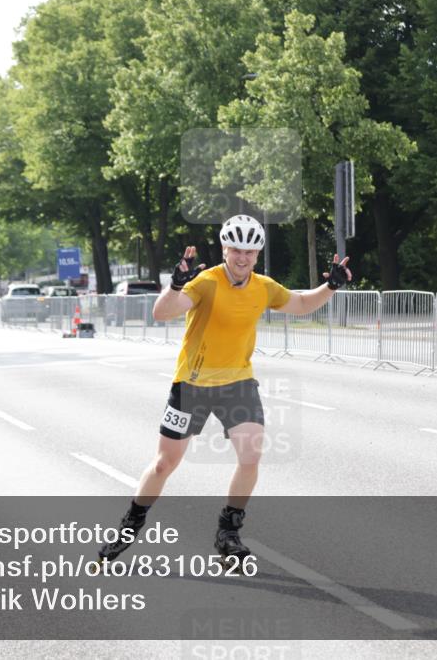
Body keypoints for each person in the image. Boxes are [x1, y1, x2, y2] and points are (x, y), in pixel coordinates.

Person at [97, 214, 351, 565]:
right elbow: (162, 313)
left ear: (258, 254)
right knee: (164, 464)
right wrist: (175, 284)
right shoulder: (206, 282)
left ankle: (228, 532)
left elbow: (302, 304)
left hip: (238, 383)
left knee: (251, 456)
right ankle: (130, 524)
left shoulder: (263, 286)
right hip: (193, 384)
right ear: (224, 248)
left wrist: (331, 287)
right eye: (236, 250)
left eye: (250, 251)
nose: (242, 257)